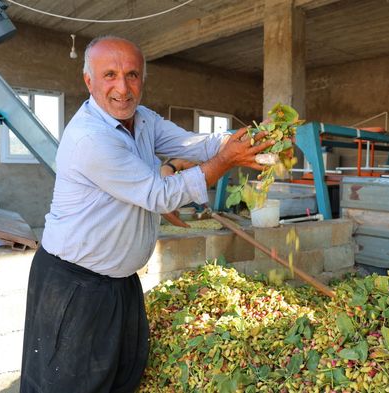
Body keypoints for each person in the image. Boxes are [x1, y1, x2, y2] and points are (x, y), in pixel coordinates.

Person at [19, 36, 273, 393]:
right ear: (89, 81)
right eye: (110, 75)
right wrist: (225, 161)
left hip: (119, 281)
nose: (122, 88)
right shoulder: (91, 138)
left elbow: (191, 143)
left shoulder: (143, 120)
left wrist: (244, 141)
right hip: (75, 285)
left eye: (132, 75)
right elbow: (160, 194)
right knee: (69, 383)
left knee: (123, 372)